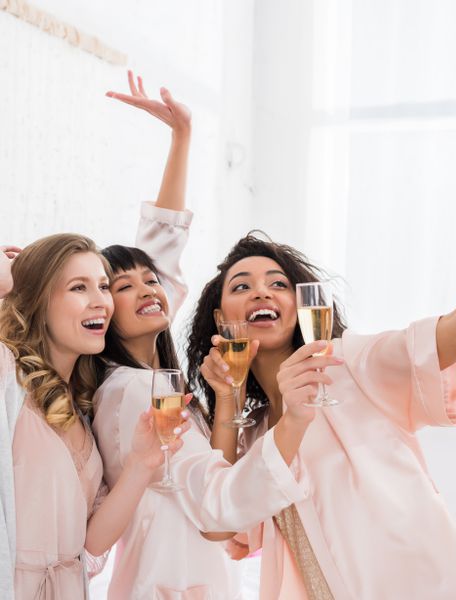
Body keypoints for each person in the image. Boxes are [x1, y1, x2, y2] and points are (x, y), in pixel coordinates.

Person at [186, 117, 456, 599]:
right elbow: (219, 524)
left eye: (278, 283)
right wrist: (227, 401)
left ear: (302, 305)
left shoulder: (351, 364)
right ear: (219, 318)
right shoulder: (250, 433)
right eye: (241, 285)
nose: (261, 291)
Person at [91, 73, 314, 599]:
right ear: (102, 312)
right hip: (168, 577)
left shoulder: (157, 379)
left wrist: (182, 138)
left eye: (152, 281)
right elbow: (215, 498)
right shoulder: (130, 390)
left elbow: (159, 253)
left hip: (189, 565)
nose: (150, 288)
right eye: (123, 287)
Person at [0, 232, 187, 600]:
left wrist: (141, 464)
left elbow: (92, 542)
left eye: (103, 287)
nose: (100, 301)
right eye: (78, 288)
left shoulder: (82, 410)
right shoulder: (7, 375)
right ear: (39, 301)